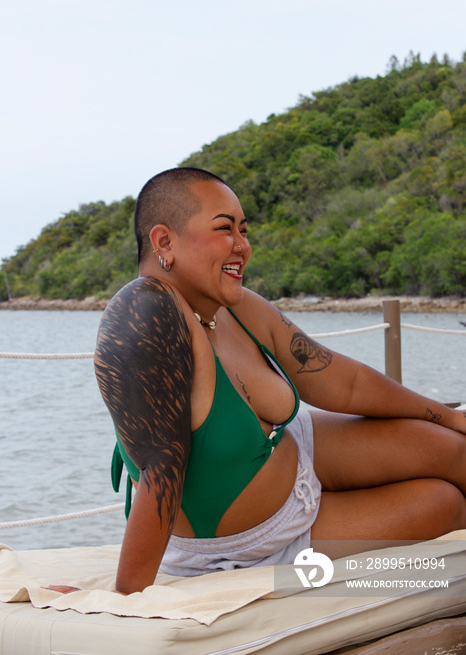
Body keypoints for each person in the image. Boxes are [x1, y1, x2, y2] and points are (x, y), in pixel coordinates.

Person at [94, 167, 466, 596]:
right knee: (444, 503)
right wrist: (123, 602)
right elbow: (160, 472)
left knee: (452, 449)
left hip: (288, 450)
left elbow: (342, 383)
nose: (242, 246)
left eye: (244, 230)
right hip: (252, 540)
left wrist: (447, 416)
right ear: (164, 242)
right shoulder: (144, 315)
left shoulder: (231, 304)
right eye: (224, 229)